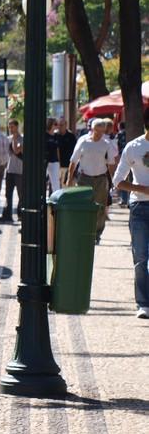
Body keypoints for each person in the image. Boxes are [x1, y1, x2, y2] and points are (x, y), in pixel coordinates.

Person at [111, 106, 149, 318]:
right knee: (141, 257)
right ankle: (143, 303)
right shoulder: (133, 147)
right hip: (139, 208)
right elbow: (118, 181)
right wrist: (141, 189)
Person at [66, 118, 116, 243]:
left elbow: (111, 164)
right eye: (97, 131)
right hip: (84, 178)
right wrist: (69, 179)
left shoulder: (107, 144)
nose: (99, 134)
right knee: (82, 205)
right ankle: (82, 231)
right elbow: (73, 161)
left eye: (102, 132)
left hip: (101, 179)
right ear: (92, 129)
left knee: (100, 207)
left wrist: (113, 180)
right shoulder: (83, 141)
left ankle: (96, 234)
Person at [3, 119, 24, 221]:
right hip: (9, 170)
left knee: (21, 194)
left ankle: (20, 214)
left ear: (17, 127)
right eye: (9, 127)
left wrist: (15, 139)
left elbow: (16, 151)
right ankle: (8, 215)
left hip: (20, 171)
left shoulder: (22, 139)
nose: (10, 129)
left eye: (12, 127)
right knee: (8, 194)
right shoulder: (8, 139)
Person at [116, 121, 131, 206]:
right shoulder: (129, 133)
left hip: (122, 157)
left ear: (119, 126)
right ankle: (129, 199)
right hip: (132, 157)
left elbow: (116, 147)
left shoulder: (119, 135)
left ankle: (124, 199)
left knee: (122, 179)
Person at [46, 117, 62, 194]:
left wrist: (59, 162)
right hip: (45, 161)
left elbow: (57, 149)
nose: (57, 126)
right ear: (50, 125)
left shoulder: (56, 136)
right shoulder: (45, 135)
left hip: (54, 161)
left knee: (55, 182)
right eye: (55, 124)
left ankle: (56, 197)